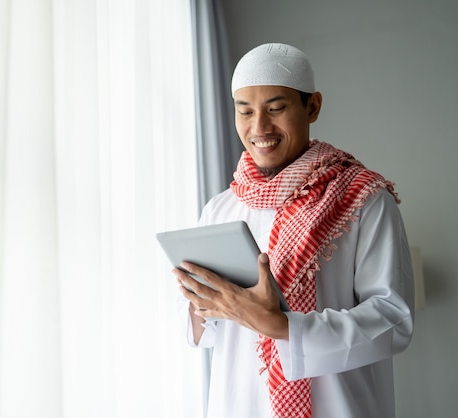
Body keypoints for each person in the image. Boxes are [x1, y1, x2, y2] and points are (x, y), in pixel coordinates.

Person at [173, 43, 414, 418]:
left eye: (276, 108)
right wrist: (201, 300)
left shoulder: (364, 198)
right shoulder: (221, 208)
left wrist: (283, 326)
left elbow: (392, 320)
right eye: (245, 111)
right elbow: (207, 332)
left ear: (312, 107)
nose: (259, 128)